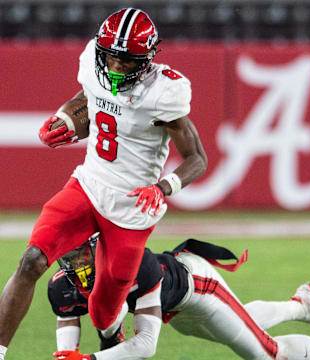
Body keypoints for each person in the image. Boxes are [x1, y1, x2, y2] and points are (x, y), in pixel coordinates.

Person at [0, 7, 207, 360]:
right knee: (32, 259)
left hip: (131, 209)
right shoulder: (92, 62)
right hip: (89, 184)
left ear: (147, 59)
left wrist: (163, 188)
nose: (115, 66)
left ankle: (109, 339)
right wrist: (65, 117)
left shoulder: (164, 91)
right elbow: (89, 101)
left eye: (127, 61)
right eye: (110, 56)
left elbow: (197, 158)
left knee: (104, 313)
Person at [49, 235, 310, 360]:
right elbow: (68, 325)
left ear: (98, 246)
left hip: (200, 288)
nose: (78, 265)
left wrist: (90, 359)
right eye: (71, 258)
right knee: (242, 324)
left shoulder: (132, 262)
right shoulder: (62, 286)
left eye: (82, 255)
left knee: (266, 353)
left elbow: (146, 345)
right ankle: (303, 305)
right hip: (175, 312)